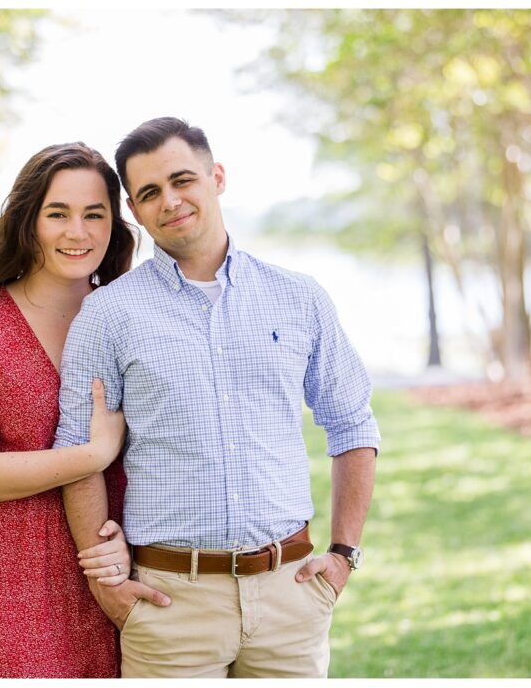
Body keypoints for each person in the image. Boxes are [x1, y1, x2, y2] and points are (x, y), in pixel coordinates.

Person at [56, 117, 380, 678]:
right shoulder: (108, 315)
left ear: (217, 178)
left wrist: (344, 556)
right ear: (134, 209)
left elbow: (352, 424)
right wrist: (109, 588)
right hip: (168, 607)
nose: (171, 201)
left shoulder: (298, 299)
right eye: (150, 192)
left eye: (183, 180)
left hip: (291, 598)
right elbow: (76, 449)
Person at [0, 142, 142, 678]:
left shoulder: (134, 319)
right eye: (57, 214)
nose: (78, 232)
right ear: (27, 221)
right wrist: (94, 454)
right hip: (12, 584)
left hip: (123, 567)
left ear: (116, 223)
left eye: (95, 214)